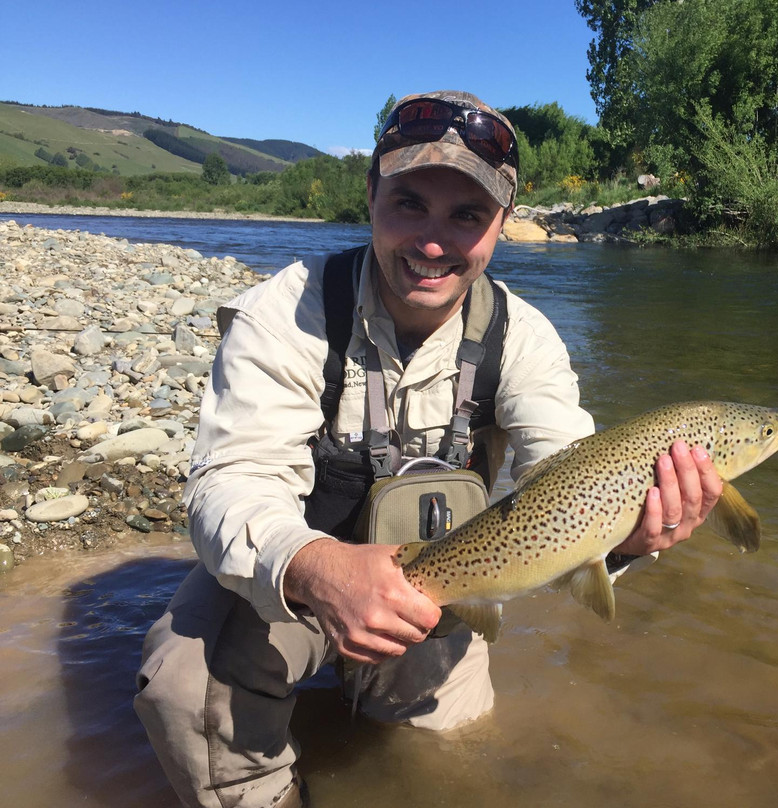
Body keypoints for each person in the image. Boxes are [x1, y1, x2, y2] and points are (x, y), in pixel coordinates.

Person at [134, 90, 723, 808]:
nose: (433, 243)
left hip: (443, 585)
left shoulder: (524, 338)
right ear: (370, 196)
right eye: (409, 204)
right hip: (290, 573)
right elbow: (228, 482)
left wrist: (627, 535)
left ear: (504, 223)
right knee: (183, 689)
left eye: (467, 215)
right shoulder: (286, 314)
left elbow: (568, 471)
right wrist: (316, 568)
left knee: (442, 768)